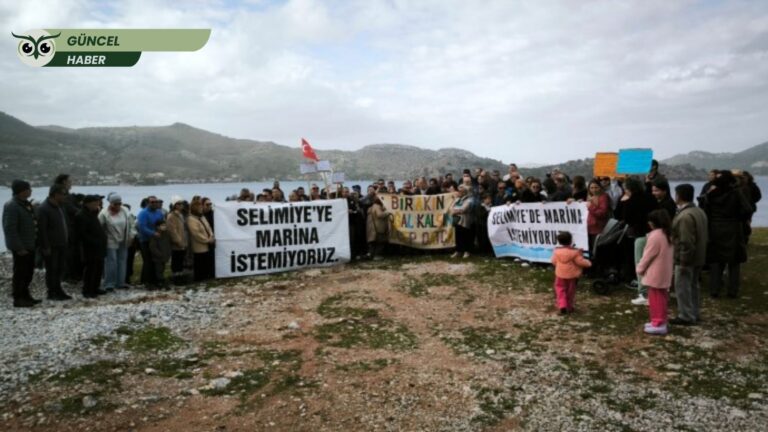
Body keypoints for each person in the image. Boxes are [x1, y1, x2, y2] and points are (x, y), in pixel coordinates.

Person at [699, 170, 752, 298]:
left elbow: (704, 210)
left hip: (715, 228)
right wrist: (738, 218)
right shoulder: (736, 193)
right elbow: (747, 209)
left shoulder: (710, 194)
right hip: (733, 228)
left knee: (715, 261)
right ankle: (732, 291)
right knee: (734, 262)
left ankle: (714, 290)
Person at [669, 184, 708, 326]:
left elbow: (686, 241)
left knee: (683, 287)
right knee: (693, 286)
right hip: (699, 256)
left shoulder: (685, 216)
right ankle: (694, 313)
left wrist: (683, 260)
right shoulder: (699, 211)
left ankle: (685, 315)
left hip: (686, 258)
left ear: (678, 196)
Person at [636, 209, 674, 335]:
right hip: (664, 271)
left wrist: (640, 268)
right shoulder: (667, 233)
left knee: (655, 299)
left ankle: (658, 323)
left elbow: (647, 256)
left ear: (653, 222)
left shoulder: (655, 236)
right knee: (662, 298)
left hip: (655, 272)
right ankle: (660, 321)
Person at [3, 180, 40, 307]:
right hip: (22, 247)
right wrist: (18, 247)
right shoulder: (12, 206)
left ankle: (26, 295)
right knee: (20, 273)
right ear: (22, 190)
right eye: (29, 189)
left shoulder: (24, 204)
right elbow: (10, 229)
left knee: (28, 272)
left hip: (30, 245)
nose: (31, 191)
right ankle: (18, 298)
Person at [36, 184, 73, 300]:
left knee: (60, 268)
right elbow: (42, 230)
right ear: (55, 194)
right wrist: (45, 246)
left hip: (62, 244)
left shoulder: (60, 207)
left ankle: (58, 290)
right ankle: (52, 292)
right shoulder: (44, 208)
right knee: (52, 269)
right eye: (63, 194)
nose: (65, 196)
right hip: (52, 245)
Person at [551, 231, 592, 314]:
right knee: (570, 291)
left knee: (560, 289)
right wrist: (589, 263)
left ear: (559, 241)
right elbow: (580, 262)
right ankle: (569, 307)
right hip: (572, 275)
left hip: (560, 274)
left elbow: (553, 261)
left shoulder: (556, 252)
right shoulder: (575, 252)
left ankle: (562, 305)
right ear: (571, 241)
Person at [76, 195, 108, 298]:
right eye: (95, 203)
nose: (97, 205)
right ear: (87, 204)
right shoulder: (81, 215)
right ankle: (87, 290)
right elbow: (82, 233)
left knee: (98, 268)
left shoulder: (93, 214)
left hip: (99, 246)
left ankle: (95, 287)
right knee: (90, 269)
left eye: (98, 203)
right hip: (90, 247)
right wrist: (94, 241)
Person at [99, 194, 132, 291]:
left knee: (122, 261)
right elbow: (99, 227)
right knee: (111, 261)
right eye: (115, 204)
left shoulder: (125, 211)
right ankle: (109, 283)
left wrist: (131, 236)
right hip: (110, 239)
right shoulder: (104, 213)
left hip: (123, 238)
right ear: (111, 203)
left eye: (119, 203)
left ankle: (120, 282)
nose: (118, 206)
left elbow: (131, 223)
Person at [136, 196, 165, 286]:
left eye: (156, 202)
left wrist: (162, 229)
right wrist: (153, 233)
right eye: (152, 202)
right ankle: (146, 281)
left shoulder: (159, 212)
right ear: (148, 203)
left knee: (156, 260)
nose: (154, 203)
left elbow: (161, 223)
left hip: (157, 240)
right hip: (146, 240)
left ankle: (155, 279)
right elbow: (142, 227)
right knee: (147, 261)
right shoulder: (143, 213)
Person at [187, 199, 215, 281]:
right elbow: (196, 233)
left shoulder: (202, 217)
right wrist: (207, 240)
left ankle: (206, 276)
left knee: (206, 261)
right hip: (199, 245)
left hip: (208, 242)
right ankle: (199, 278)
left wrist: (211, 236)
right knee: (200, 262)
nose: (201, 208)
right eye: (199, 206)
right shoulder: (191, 219)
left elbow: (208, 227)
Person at [166, 198, 189, 280]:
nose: (180, 205)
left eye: (181, 204)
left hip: (183, 240)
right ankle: (176, 277)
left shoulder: (180, 215)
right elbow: (172, 230)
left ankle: (180, 276)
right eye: (178, 204)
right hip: (177, 243)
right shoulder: (171, 216)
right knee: (176, 260)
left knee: (181, 259)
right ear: (174, 206)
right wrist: (178, 241)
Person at [449, 184, 474, 258]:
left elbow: (464, 209)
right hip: (457, 220)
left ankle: (467, 251)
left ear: (464, 192)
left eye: (460, 191)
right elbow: (451, 207)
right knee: (458, 236)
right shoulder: (457, 199)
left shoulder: (469, 200)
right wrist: (455, 210)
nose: (458, 192)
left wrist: (454, 211)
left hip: (465, 221)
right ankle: (458, 251)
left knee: (465, 236)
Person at [586, 179, 611, 253]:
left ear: (600, 187)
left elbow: (602, 213)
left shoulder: (603, 197)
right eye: (592, 188)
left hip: (597, 228)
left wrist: (591, 207)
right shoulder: (590, 197)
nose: (594, 190)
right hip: (589, 228)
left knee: (596, 250)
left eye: (596, 187)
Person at [365, 195, 391, 260]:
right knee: (380, 242)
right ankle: (377, 255)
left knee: (373, 243)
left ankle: (371, 255)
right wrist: (388, 212)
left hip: (373, 228)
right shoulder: (377, 206)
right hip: (378, 227)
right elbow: (379, 215)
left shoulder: (372, 206)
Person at [150, 219, 172, 288]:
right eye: (162, 225)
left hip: (165, 256)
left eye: (165, 225)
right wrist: (159, 254)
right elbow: (152, 247)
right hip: (158, 258)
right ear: (157, 227)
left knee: (162, 269)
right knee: (158, 271)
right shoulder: (155, 235)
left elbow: (168, 245)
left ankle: (161, 282)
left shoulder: (167, 234)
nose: (164, 227)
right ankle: (161, 282)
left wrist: (168, 254)